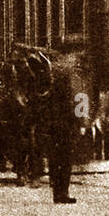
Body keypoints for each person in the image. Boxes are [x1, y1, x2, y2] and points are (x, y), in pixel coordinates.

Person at [45, 55, 79, 204]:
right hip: (65, 132)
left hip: (53, 131)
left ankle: (57, 192)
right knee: (65, 163)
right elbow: (74, 114)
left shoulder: (51, 95)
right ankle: (62, 193)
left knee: (55, 161)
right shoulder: (67, 98)